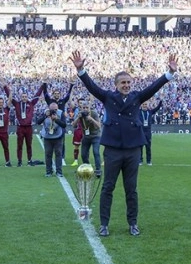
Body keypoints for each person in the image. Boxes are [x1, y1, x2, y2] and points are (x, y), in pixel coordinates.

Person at [70, 50, 177, 237]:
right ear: (116, 85)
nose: (126, 85)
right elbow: (92, 88)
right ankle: (104, 224)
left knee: (131, 189)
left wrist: (169, 73)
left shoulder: (137, 97)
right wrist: (81, 71)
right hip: (112, 149)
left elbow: (153, 87)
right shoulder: (108, 97)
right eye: (123, 83)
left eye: (128, 82)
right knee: (108, 187)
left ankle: (133, 223)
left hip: (133, 149)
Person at [6, 84, 43, 167]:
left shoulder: (31, 103)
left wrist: (43, 86)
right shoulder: (17, 104)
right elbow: (10, 97)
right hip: (20, 127)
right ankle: (19, 161)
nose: (24, 98)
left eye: (25, 96)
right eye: (23, 96)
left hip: (29, 127)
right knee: (19, 145)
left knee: (29, 145)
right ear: (20, 97)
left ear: (27, 97)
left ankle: (29, 160)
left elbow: (37, 95)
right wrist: (5, 87)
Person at [43, 81, 74, 166]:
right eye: (55, 93)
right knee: (50, 140)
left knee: (62, 141)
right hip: (50, 123)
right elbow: (45, 94)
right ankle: (50, 159)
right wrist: (45, 84)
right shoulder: (50, 101)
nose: (57, 95)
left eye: (58, 93)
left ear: (60, 94)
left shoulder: (62, 101)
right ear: (53, 94)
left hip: (60, 123)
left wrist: (71, 85)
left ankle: (62, 158)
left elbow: (68, 95)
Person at [36, 102, 67, 177]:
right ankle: (48, 171)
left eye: (55, 110)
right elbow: (38, 122)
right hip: (47, 137)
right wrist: (45, 116)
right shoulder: (45, 112)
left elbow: (64, 125)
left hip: (58, 136)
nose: (53, 111)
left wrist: (56, 119)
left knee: (58, 154)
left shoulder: (61, 113)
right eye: (52, 110)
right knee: (48, 154)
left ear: (58, 108)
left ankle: (59, 171)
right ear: (49, 108)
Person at [75, 98, 102, 178]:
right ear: (81, 108)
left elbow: (99, 125)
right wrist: (78, 118)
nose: (85, 109)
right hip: (86, 136)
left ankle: (98, 171)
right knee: (83, 154)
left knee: (96, 152)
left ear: (90, 108)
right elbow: (73, 125)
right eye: (84, 108)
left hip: (95, 136)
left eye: (87, 107)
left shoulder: (94, 114)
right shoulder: (80, 114)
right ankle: (88, 169)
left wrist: (91, 119)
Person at [139, 99, 162, 166]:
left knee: (148, 147)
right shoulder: (138, 112)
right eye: (143, 104)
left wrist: (160, 102)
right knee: (140, 147)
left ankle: (148, 161)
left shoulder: (150, 112)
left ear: (147, 105)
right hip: (141, 131)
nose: (144, 106)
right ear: (141, 105)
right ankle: (140, 160)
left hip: (148, 132)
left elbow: (157, 108)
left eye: (145, 104)